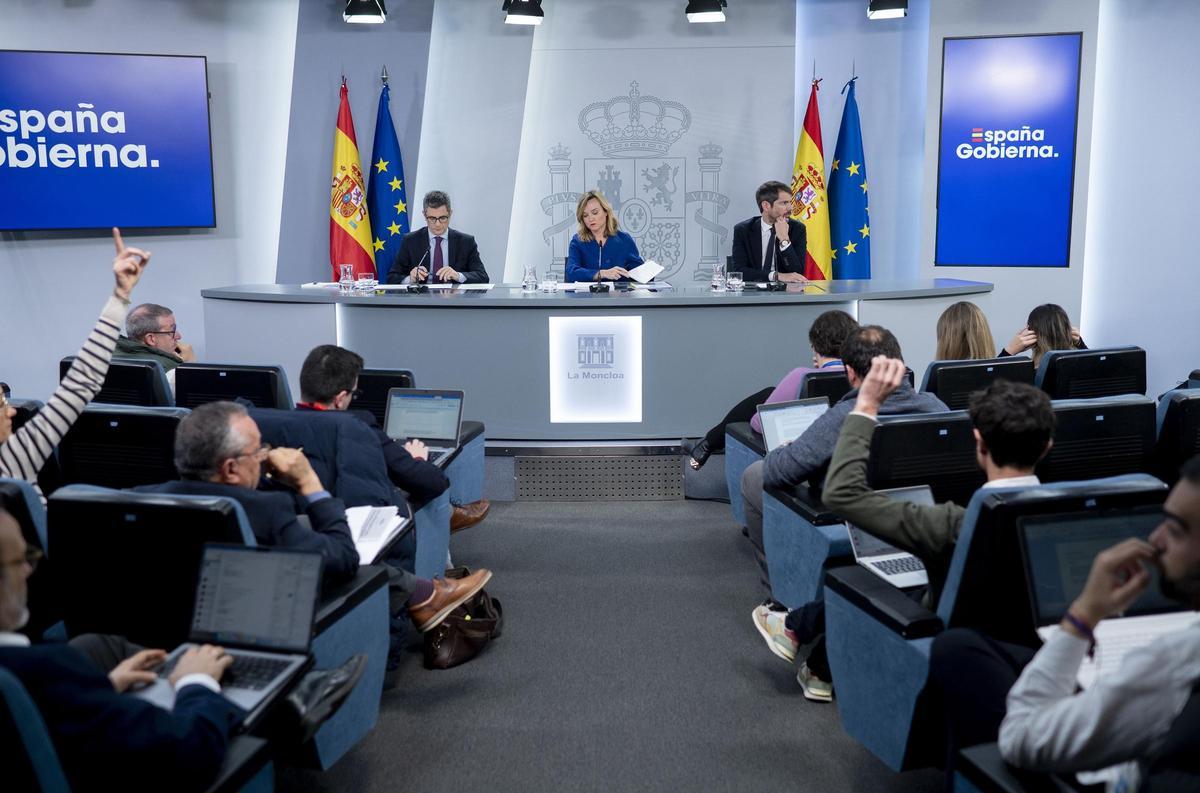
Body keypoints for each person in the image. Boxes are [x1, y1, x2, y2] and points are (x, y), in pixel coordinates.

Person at [0, 509, 366, 791]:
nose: (30, 571)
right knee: (203, 687)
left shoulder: (34, 673)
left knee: (102, 648)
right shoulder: (46, 667)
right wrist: (195, 683)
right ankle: (286, 709)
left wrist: (101, 690)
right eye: (22, 560)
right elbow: (189, 752)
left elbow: (41, 720)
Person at [752, 363, 1054, 702]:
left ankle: (796, 627)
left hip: (950, 643)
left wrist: (864, 408)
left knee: (860, 577)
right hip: (1035, 654)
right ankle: (811, 653)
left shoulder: (950, 524)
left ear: (979, 442)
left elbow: (843, 494)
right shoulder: (1065, 518)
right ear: (1047, 446)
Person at [133, 401, 491, 637]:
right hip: (256, 615)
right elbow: (343, 559)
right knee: (358, 564)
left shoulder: (139, 497)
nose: (266, 456)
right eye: (258, 451)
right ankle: (426, 595)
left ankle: (425, 595)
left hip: (168, 620)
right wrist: (310, 485)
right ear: (229, 468)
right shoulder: (264, 511)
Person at [996, 457, 1200, 791]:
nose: (1156, 538)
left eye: (1176, 530)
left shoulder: (1177, 662)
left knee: (960, 651)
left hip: (1109, 776)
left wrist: (1083, 614)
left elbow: (1019, 738)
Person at [739, 326, 948, 600]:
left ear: (849, 372)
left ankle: (779, 596)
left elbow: (781, 471)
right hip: (921, 519)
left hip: (853, 519)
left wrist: (782, 451)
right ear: (898, 363)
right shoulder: (936, 407)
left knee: (755, 476)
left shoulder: (845, 416)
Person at [0, 229, 149, 496]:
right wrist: (119, 297)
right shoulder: (15, 457)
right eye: (2, 406)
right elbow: (82, 382)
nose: (12, 411)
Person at [296, 344, 490, 531]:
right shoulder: (359, 428)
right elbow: (431, 481)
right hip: (362, 528)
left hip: (299, 524)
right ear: (339, 399)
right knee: (429, 481)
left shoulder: (278, 427)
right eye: (353, 394)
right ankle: (448, 520)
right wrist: (417, 459)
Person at [682, 310, 858, 471]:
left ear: (814, 346)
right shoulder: (864, 377)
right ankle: (705, 445)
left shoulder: (802, 376)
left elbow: (759, 423)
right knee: (769, 393)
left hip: (801, 456)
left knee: (766, 400)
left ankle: (708, 443)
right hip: (850, 454)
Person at [385, 191, 490, 284]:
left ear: (450, 213)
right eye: (432, 218)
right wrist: (410, 278)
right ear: (424, 215)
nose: (438, 224)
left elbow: (483, 277)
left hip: (454, 301)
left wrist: (458, 275)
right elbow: (392, 278)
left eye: (443, 218)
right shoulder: (410, 241)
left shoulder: (466, 242)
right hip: (421, 302)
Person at [729, 181, 809, 283]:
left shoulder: (797, 229)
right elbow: (739, 272)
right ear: (766, 206)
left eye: (790, 202)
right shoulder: (743, 230)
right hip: (752, 293)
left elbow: (797, 272)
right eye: (784, 203)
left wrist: (784, 240)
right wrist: (776, 276)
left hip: (786, 293)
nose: (790, 208)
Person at [565, 190, 643, 283]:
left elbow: (640, 275)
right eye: (585, 215)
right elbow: (571, 273)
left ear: (606, 211)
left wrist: (649, 270)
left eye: (595, 212)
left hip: (618, 296)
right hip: (587, 296)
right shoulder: (577, 241)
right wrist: (601, 273)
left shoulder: (624, 240)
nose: (590, 218)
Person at [115, 302, 197, 382]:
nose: (178, 336)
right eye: (172, 331)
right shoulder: (169, 372)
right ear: (151, 339)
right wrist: (189, 364)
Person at [1000, 303, 1086, 367]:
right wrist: (1080, 344)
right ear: (1068, 330)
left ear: (1031, 333)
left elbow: (990, 382)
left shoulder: (1027, 375)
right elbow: (1097, 366)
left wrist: (1009, 351)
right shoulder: (1081, 367)